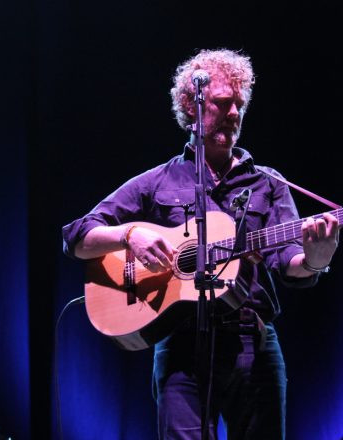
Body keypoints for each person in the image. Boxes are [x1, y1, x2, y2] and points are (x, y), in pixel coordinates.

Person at [62, 49, 339, 439]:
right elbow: (76, 237)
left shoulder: (269, 184)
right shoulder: (159, 182)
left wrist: (315, 259)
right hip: (181, 346)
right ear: (191, 107)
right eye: (224, 103)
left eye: (239, 105)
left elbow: (288, 260)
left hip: (251, 343)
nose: (234, 114)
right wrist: (129, 235)